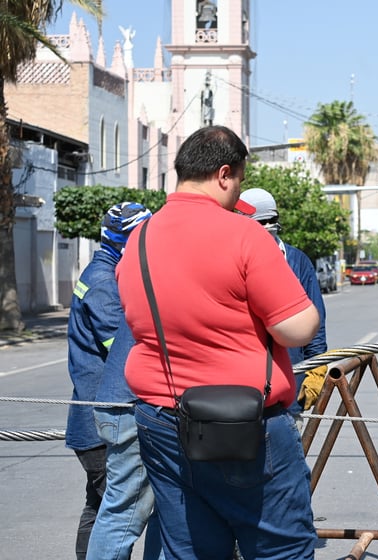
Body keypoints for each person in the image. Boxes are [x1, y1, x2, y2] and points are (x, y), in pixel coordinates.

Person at [115, 125, 320, 559]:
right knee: (281, 548)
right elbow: (299, 329)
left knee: (191, 547)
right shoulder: (246, 235)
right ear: (224, 174)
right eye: (240, 181)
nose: (237, 193)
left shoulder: (139, 240)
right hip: (243, 424)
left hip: (161, 418)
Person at [65, 201, 151, 560]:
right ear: (125, 240)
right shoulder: (105, 283)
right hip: (104, 419)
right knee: (120, 512)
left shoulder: (103, 272)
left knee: (100, 506)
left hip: (92, 419)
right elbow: (125, 346)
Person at [237, 187, 328, 427]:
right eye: (261, 221)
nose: (268, 226)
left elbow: (315, 326)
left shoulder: (297, 262)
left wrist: (316, 371)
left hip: (290, 389)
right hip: (241, 392)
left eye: (272, 220)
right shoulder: (230, 262)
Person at [89, 321, 163, 560]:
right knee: (126, 511)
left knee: (166, 507)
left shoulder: (145, 282)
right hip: (135, 403)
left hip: (125, 399)